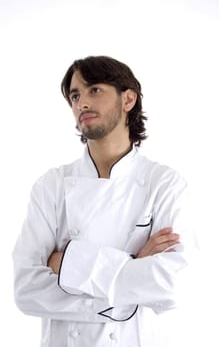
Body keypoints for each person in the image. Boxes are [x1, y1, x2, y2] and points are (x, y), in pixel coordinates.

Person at [13, 55, 196, 347]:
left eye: (94, 89)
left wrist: (68, 264)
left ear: (128, 100)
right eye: (75, 95)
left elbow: (172, 285)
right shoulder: (52, 186)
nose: (81, 103)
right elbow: (27, 290)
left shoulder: (163, 183)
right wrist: (134, 268)